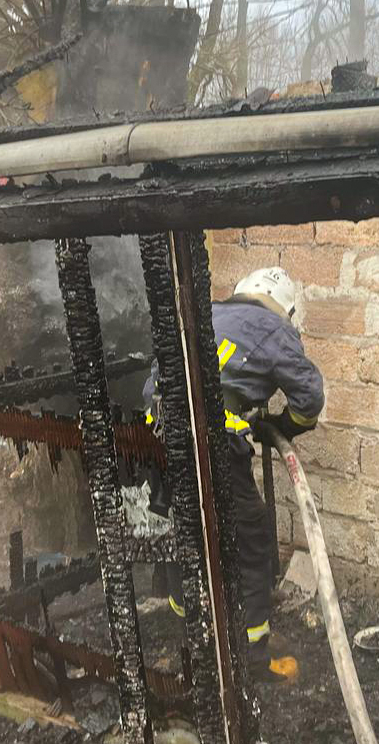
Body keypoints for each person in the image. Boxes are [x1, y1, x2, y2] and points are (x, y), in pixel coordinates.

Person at [145, 266, 324, 683]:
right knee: (252, 538)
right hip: (213, 443)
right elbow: (309, 397)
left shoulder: (206, 313)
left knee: (184, 529)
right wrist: (287, 425)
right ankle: (252, 654)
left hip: (158, 437)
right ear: (285, 308)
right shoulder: (272, 325)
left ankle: (191, 628)